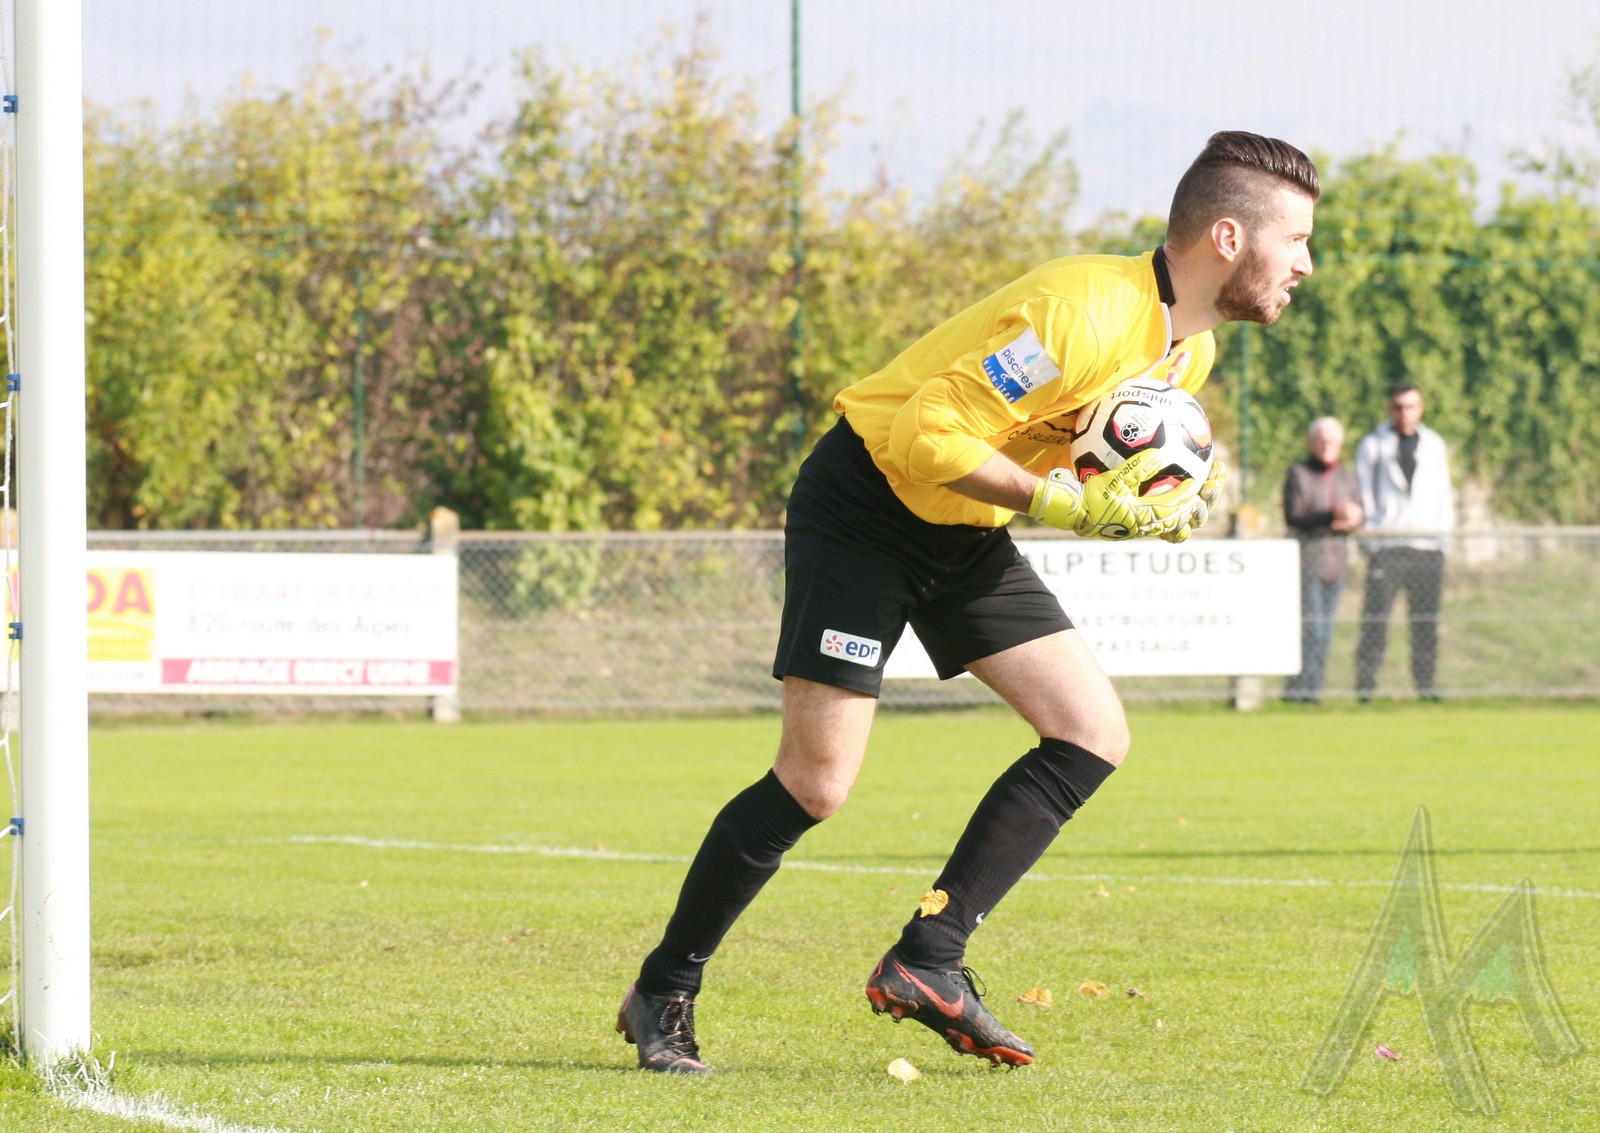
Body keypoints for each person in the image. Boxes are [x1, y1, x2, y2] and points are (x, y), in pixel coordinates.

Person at [615, 131, 1320, 1074]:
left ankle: (929, 958)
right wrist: (1066, 505)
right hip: (866, 506)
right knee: (816, 784)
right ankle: (663, 988)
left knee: (1091, 732)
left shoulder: (1187, 358)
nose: (1306, 265)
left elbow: (1085, 454)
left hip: (962, 530)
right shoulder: (1081, 312)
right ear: (1230, 238)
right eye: (1297, 240)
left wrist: (1154, 502)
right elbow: (924, 432)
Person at [1353, 384, 1454, 700]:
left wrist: (1442, 540)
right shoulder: (1373, 444)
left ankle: (1426, 686)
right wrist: (1371, 539)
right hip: (1388, 546)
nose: (1404, 413)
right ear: (1390, 409)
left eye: (1411, 406)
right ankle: (1366, 687)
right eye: (1398, 406)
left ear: (1420, 409)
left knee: (1425, 623)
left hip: (1426, 547)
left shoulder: (1434, 445)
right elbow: (1364, 491)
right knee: (1376, 621)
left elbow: (1444, 494)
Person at [1281, 417, 1362, 703]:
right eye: (1322, 440)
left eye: (1332, 441)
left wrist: (1353, 518)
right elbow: (1294, 516)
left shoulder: (1347, 477)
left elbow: (1359, 510)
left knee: (1325, 633)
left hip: (1336, 566)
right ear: (1311, 442)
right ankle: (1300, 691)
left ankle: (1312, 689)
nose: (1327, 445)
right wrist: (1330, 516)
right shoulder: (1299, 474)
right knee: (1312, 631)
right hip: (1309, 565)